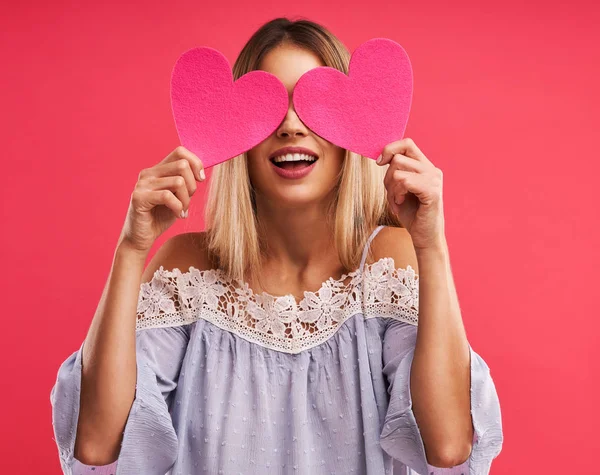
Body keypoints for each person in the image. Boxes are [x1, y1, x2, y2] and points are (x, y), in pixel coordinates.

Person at [50, 17, 503, 475]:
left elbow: (447, 449)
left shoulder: (391, 262)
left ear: (353, 124)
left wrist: (432, 247)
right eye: (269, 106)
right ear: (235, 132)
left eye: (314, 104)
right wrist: (132, 248)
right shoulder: (187, 269)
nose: (290, 126)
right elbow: (96, 445)